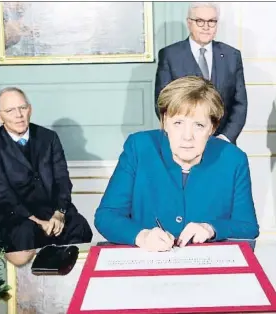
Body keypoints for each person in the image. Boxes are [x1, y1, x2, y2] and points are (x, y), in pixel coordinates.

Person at [95, 76, 259, 252]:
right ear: (164, 121)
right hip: (148, 266)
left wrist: (211, 228)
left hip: (206, 269)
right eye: (178, 123)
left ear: (212, 128)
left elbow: (248, 227)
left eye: (199, 125)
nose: (187, 136)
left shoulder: (233, 159)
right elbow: (106, 216)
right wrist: (142, 236)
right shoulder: (139, 147)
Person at [0, 87, 93, 254]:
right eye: (10, 110)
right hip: (16, 216)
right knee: (25, 234)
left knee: (79, 226)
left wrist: (59, 213)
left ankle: (73, 280)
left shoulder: (49, 137)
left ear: (30, 109)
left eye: (23, 108)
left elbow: (62, 180)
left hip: (53, 212)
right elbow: (1, 194)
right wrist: (38, 221)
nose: (18, 115)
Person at [154, 2, 247, 144]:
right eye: (200, 21)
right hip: (183, 142)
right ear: (189, 23)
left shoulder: (232, 55)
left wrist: (225, 138)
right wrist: (184, 135)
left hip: (223, 142)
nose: (206, 27)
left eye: (211, 21)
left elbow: (240, 103)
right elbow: (162, 103)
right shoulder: (170, 55)